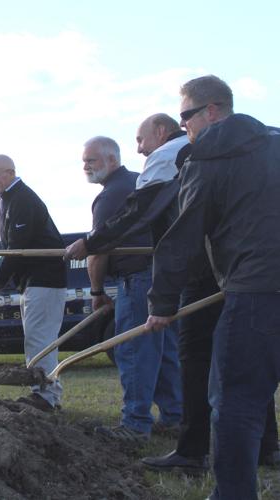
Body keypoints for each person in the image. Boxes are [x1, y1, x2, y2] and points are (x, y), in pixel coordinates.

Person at [146, 75, 280, 499]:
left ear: (212, 111)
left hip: (256, 292)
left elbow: (184, 236)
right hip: (258, 282)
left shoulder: (209, 155)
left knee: (236, 400)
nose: (183, 127)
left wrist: (162, 301)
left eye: (185, 117)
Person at [80, 137, 182, 442]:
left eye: (92, 161)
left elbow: (98, 251)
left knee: (133, 350)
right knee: (163, 351)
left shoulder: (111, 196)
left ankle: (135, 425)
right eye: (84, 162)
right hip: (160, 277)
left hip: (136, 279)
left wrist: (97, 292)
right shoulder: (141, 182)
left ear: (112, 160)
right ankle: (175, 416)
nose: (86, 167)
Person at [0, 154, 67, 412]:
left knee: (41, 339)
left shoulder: (22, 199)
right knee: (36, 338)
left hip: (45, 278)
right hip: (33, 281)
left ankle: (47, 397)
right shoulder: (10, 198)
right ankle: (43, 392)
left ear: (10, 172)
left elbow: (16, 250)